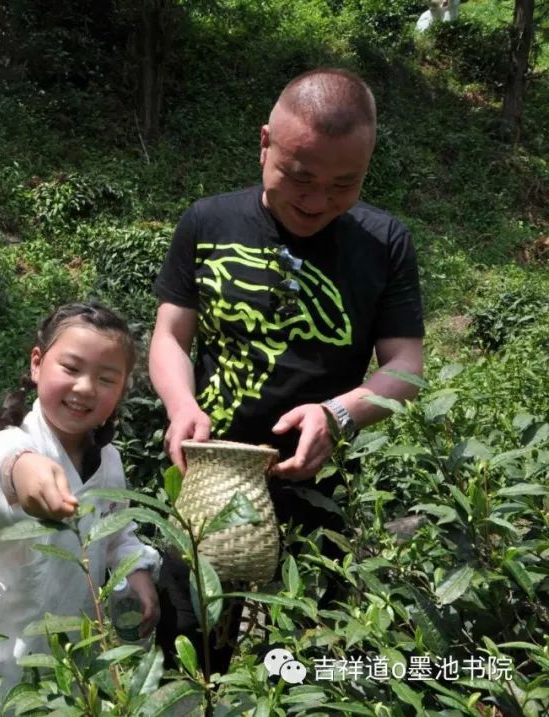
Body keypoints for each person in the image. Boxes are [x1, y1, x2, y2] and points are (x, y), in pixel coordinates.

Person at [148, 68, 425, 668]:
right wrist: (181, 407)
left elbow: (406, 364)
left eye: (343, 184)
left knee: (305, 661)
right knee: (188, 656)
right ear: (264, 142)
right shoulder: (208, 222)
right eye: (299, 177)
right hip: (207, 481)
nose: (317, 201)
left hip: (317, 491)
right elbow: (170, 336)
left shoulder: (385, 242)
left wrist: (339, 414)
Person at [0, 302, 161, 692]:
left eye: (106, 378)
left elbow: (117, 531)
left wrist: (135, 570)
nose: (85, 388)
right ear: (37, 364)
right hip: (8, 645)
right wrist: (19, 469)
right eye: (71, 368)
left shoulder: (108, 461)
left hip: (78, 637)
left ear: (121, 391)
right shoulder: (16, 441)